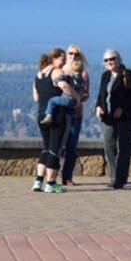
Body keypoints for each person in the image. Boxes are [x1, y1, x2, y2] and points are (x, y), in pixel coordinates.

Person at [32, 48, 80, 193]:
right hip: (57, 115)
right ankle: (51, 183)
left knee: (46, 148)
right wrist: (76, 96)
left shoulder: (38, 75)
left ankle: (38, 181)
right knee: (55, 149)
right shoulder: (56, 72)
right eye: (62, 59)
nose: (65, 62)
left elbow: (36, 97)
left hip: (41, 114)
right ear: (54, 58)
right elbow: (63, 85)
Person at [95, 49, 131, 189]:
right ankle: (113, 176)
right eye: (106, 60)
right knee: (108, 145)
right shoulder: (105, 76)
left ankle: (120, 179)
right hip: (108, 116)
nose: (109, 62)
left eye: (112, 59)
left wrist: (122, 108)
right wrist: (98, 107)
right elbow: (101, 94)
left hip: (126, 117)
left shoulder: (128, 74)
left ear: (118, 60)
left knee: (124, 148)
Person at [60, 44, 90, 186]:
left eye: (76, 54)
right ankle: (52, 176)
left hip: (76, 113)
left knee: (72, 146)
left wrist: (80, 97)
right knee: (58, 145)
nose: (73, 56)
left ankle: (67, 176)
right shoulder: (60, 71)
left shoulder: (83, 74)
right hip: (61, 112)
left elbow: (86, 93)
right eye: (71, 53)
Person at [39, 58, 83, 126]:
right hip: (75, 102)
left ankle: (49, 116)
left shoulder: (69, 76)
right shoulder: (81, 79)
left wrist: (55, 81)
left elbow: (60, 79)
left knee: (52, 101)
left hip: (67, 98)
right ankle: (73, 120)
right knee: (70, 110)